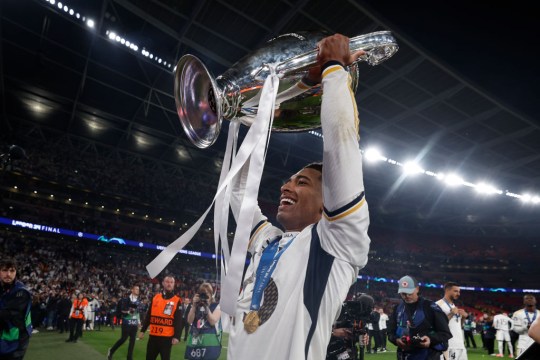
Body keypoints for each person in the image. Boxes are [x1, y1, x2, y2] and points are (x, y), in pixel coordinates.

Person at [227, 33, 371, 360]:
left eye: (302, 182)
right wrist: (263, 119)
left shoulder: (333, 245)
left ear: (327, 202)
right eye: (288, 180)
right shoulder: (269, 242)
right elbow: (238, 189)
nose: (285, 187)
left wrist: (334, 69)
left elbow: (340, 147)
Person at [387, 275, 452, 360]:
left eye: (410, 293)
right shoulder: (397, 309)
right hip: (403, 355)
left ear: (417, 289)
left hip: (427, 355)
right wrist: (396, 340)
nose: (407, 296)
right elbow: (390, 332)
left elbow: (445, 333)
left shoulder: (430, 307)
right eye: (403, 293)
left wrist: (430, 339)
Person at [139, 276, 181, 360]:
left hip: (166, 338)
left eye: (171, 282)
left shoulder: (177, 300)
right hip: (153, 336)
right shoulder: (155, 298)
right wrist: (143, 330)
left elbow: (178, 320)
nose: (169, 284)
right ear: (163, 283)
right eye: (167, 282)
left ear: (174, 285)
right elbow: (149, 315)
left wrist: (177, 336)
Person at [0, 258, 32, 360]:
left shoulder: (21, 292)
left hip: (18, 338)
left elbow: (7, 314)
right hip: (4, 334)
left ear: (16, 272)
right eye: (4, 270)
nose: (8, 274)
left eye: (12, 271)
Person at [185, 283, 222, 360]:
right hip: (196, 343)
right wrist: (194, 305)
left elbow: (212, 321)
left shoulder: (216, 306)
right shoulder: (195, 306)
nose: (205, 296)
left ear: (211, 295)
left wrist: (206, 306)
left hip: (210, 344)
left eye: (207, 293)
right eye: (203, 293)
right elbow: (189, 320)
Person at [436, 282, 469, 360]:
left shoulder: (453, 306)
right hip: (449, 345)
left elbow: (458, 326)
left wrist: (463, 318)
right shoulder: (438, 305)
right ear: (447, 291)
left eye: (459, 291)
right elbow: (438, 325)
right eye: (455, 291)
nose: (458, 294)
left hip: (460, 344)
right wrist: (451, 314)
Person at [108, 285, 141, 360]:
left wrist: (139, 321)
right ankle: (111, 351)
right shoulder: (125, 300)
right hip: (126, 322)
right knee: (123, 339)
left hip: (134, 323)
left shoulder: (138, 301)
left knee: (132, 341)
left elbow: (137, 312)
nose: (137, 290)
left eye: (138, 289)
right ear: (132, 290)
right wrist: (128, 312)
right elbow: (121, 311)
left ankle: (129, 358)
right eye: (136, 289)